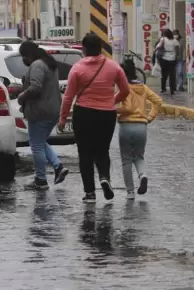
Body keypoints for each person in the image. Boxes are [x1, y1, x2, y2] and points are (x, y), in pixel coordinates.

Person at [58, 33, 130, 203]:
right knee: (102, 149)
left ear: (84, 49)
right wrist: (111, 100)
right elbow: (126, 90)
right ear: (101, 49)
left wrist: (62, 119)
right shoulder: (114, 67)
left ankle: (90, 193)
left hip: (84, 113)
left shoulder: (77, 68)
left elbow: (68, 97)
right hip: (107, 114)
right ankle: (104, 177)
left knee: (85, 153)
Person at [17, 41, 69, 189]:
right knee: (39, 141)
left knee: (36, 145)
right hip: (52, 110)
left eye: (23, 56)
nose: (23, 60)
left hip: (40, 111)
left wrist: (22, 96)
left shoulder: (37, 65)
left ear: (28, 55)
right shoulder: (48, 64)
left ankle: (40, 179)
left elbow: (35, 87)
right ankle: (58, 166)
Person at [117, 60, 163, 200]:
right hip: (141, 126)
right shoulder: (142, 87)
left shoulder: (122, 88)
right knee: (139, 156)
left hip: (126, 126)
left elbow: (124, 107)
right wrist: (150, 117)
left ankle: (130, 192)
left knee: (126, 160)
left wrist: (114, 111)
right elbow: (158, 101)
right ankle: (143, 175)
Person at [156, 29, 179, 95]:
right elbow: (177, 49)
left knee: (164, 74)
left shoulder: (163, 39)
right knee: (172, 75)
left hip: (164, 58)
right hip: (172, 59)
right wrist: (176, 56)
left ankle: (163, 88)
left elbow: (158, 46)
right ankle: (172, 90)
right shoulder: (175, 40)